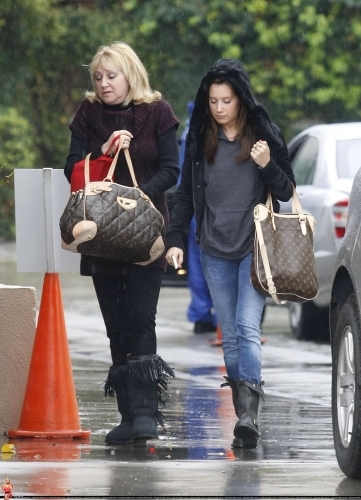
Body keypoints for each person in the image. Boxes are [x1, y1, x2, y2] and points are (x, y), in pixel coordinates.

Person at [166, 59, 295, 449]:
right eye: (213, 100)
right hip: (214, 250)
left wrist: (266, 164)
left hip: (254, 249)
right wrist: (174, 239)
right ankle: (243, 411)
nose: (219, 108)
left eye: (226, 100)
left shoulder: (262, 135)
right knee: (232, 337)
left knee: (246, 327)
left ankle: (249, 414)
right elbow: (184, 194)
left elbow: (286, 190)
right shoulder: (201, 138)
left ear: (241, 100)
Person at [64, 41, 179, 444]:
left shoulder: (158, 112)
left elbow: (171, 169)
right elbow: (72, 169)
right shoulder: (89, 113)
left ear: (130, 74)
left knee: (140, 318)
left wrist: (137, 200)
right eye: (98, 76)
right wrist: (103, 149)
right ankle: (127, 414)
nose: (104, 83)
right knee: (115, 326)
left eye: (111, 75)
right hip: (101, 236)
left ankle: (146, 412)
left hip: (146, 233)